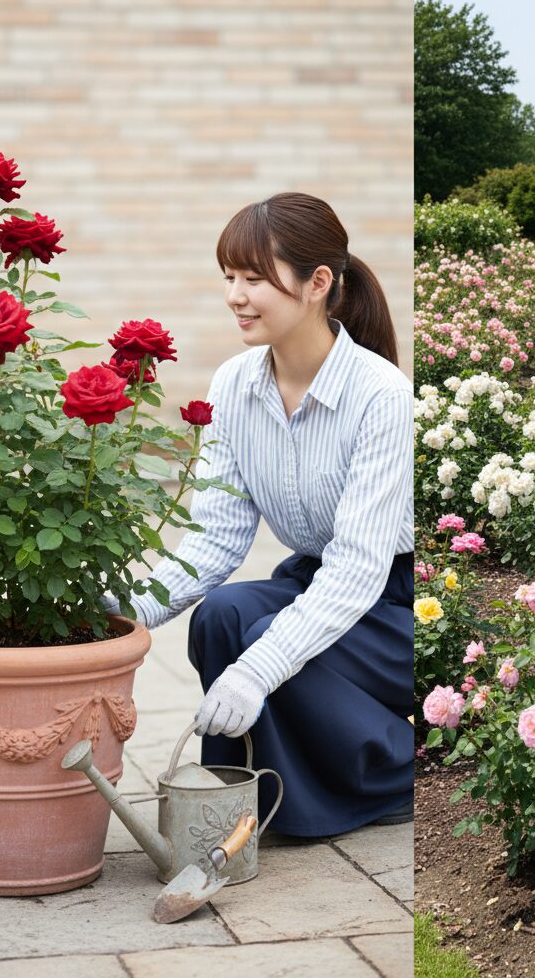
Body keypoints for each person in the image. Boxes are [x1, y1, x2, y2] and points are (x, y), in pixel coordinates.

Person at [107, 192, 414, 834]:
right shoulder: (235, 384)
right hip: (318, 578)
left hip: (402, 607)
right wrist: (118, 614)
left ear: (317, 283)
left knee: (263, 646)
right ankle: (236, 797)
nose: (235, 296)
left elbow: (359, 569)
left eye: (254, 278)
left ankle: (384, 773)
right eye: (229, 277)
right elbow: (215, 540)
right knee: (222, 617)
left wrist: (255, 672)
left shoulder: (382, 395)